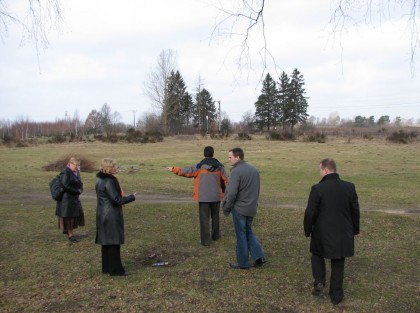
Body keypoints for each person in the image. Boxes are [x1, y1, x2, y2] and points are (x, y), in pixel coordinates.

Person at [304, 158, 360, 305]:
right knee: (338, 261)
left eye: (320, 170)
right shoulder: (349, 187)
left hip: (322, 232)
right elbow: (355, 211)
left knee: (317, 255)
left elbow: (310, 212)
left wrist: (307, 229)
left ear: (326, 170)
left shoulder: (317, 189)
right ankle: (336, 295)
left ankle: (319, 281)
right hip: (343, 232)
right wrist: (355, 229)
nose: (320, 173)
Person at [167, 146, 228, 246]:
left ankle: (205, 241)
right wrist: (226, 194)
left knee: (204, 219)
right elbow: (226, 181)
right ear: (213, 154)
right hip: (216, 197)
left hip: (203, 197)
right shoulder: (220, 167)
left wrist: (173, 169)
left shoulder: (199, 167)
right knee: (215, 217)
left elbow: (185, 171)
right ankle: (215, 236)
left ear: (204, 154)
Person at [223, 147, 266, 269]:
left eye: (230, 157)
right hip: (251, 208)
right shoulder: (254, 170)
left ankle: (243, 263)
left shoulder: (236, 172)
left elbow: (231, 193)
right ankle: (259, 256)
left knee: (241, 235)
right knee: (248, 231)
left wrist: (227, 207)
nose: (228, 160)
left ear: (238, 157)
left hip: (240, 209)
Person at [95, 158, 138, 276]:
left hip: (102, 213)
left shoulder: (99, 180)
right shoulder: (109, 181)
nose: (116, 168)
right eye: (114, 166)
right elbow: (116, 200)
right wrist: (131, 197)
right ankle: (116, 270)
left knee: (106, 242)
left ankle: (107, 267)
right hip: (110, 215)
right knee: (113, 242)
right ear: (109, 168)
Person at [56, 157, 85, 243]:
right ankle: (70, 235)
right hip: (66, 199)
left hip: (74, 198)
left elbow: (80, 182)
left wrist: (80, 189)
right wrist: (76, 191)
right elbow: (65, 185)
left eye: (78, 165)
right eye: (75, 165)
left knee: (76, 215)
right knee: (69, 217)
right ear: (70, 163)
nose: (77, 167)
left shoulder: (76, 172)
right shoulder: (65, 172)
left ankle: (69, 231)